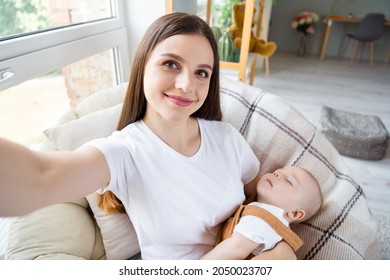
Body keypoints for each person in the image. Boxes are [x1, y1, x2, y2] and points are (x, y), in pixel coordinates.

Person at [0, 13, 295, 260]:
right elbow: (41, 176)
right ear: (142, 66)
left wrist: (283, 251)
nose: (185, 85)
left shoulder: (227, 138)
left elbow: (260, 198)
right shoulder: (124, 152)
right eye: (171, 64)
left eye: (201, 73)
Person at [201, 166, 322, 260]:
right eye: (279, 170)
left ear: (295, 213)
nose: (277, 173)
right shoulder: (267, 218)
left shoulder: (264, 219)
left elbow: (236, 248)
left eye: (289, 181)